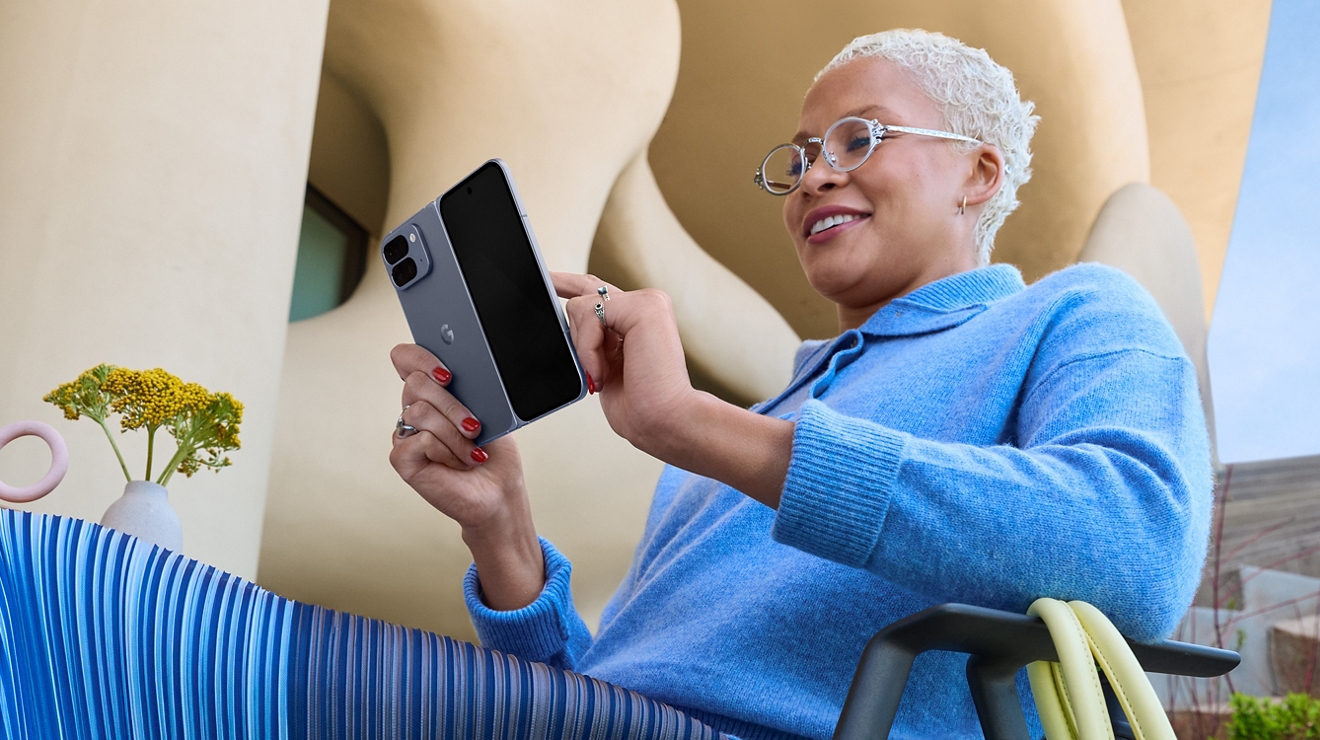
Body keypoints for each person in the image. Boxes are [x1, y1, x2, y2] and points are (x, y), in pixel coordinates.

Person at [389, 28, 1212, 740]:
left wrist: (694, 425)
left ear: (979, 173)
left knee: (275, 667)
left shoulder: (1075, 310)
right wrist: (502, 530)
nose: (814, 177)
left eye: (859, 139)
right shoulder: (743, 435)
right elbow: (598, 688)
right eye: (802, 157)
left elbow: (1135, 546)